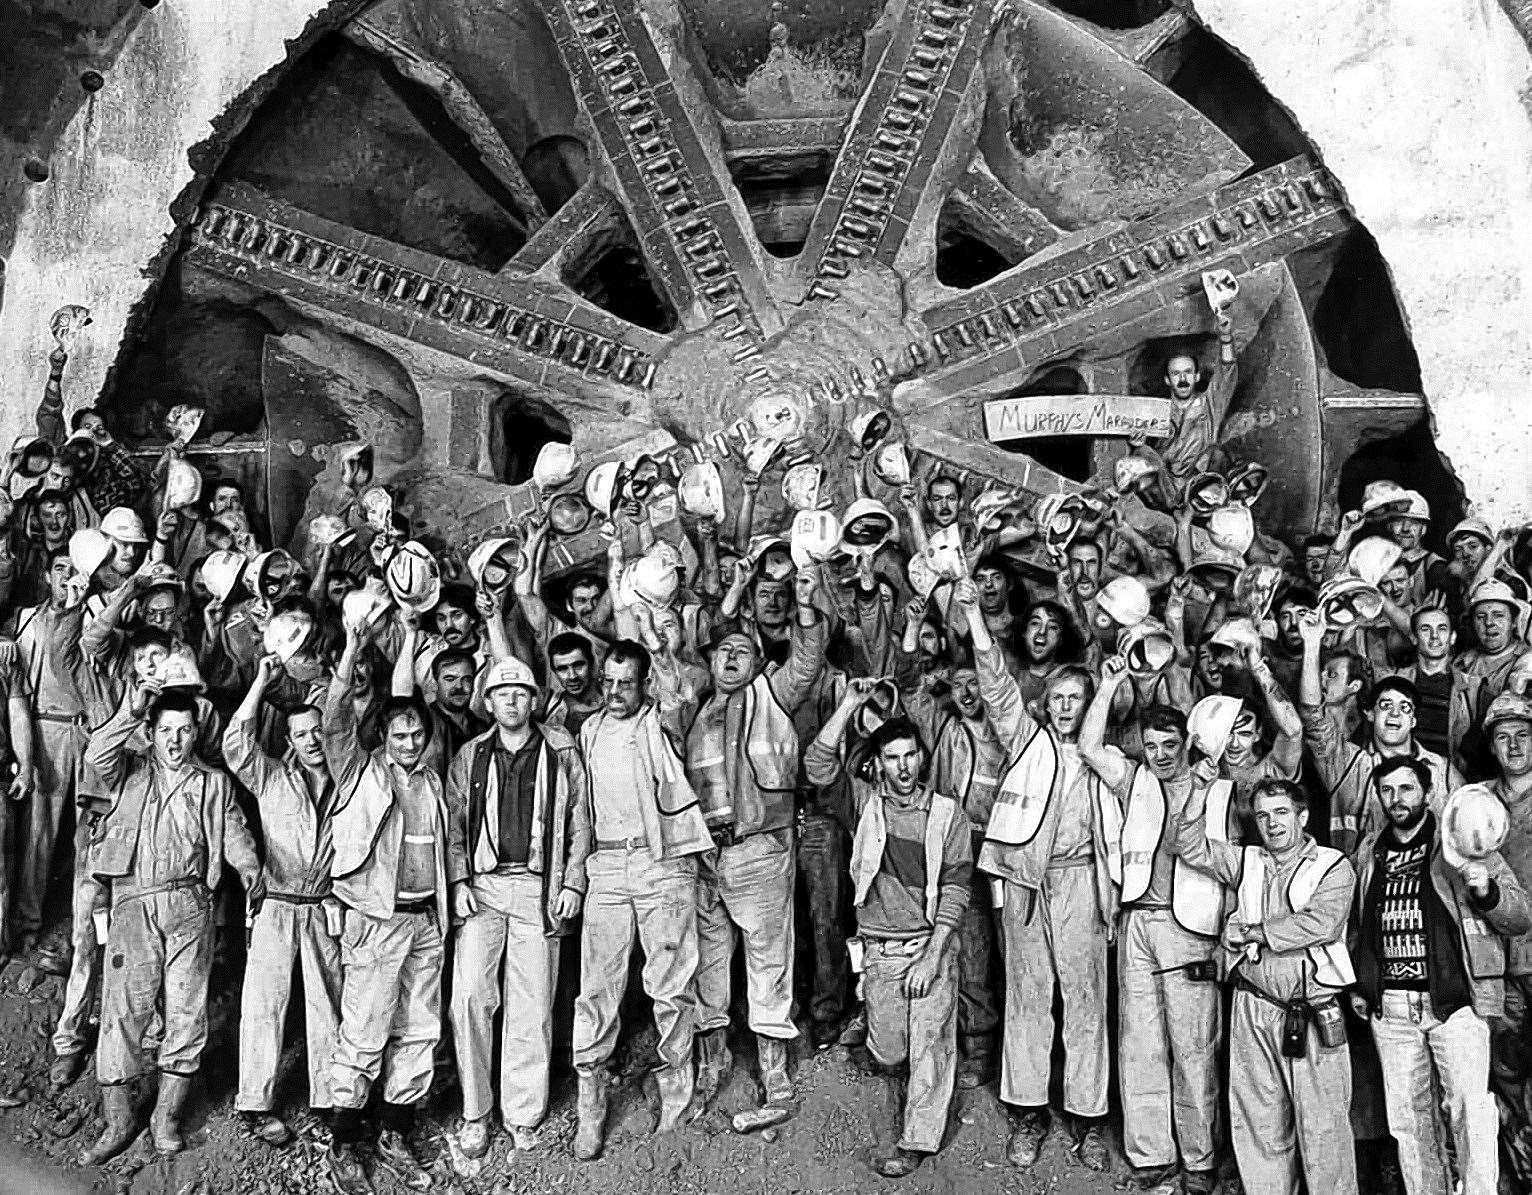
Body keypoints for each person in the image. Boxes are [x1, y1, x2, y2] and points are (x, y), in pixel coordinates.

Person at [956, 579, 1118, 1172]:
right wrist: (973, 616)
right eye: (1058, 698)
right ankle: (1028, 1113)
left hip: (1081, 883)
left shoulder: (1104, 756)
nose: (1066, 707)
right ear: (1046, 704)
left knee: (1086, 1003)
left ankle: (1088, 1118)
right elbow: (997, 686)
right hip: (1027, 883)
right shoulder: (1026, 740)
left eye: (1077, 698)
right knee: (1028, 1000)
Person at [80, 684, 264, 1164]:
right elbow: (96, 755)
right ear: (151, 732)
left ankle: (166, 1119)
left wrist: (249, 869)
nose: (175, 741)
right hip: (133, 900)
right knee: (124, 1009)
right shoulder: (128, 770)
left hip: (190, 904)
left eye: (184, 731)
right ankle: (118, 1121)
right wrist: (131, 710)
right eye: (166, 731)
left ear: (196, 732)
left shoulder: (213, 783)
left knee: (187, 1010)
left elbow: (235, 833)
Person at [673, 566, 827, 1108]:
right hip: (704, 856)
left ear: (759, 661)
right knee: (709, 963)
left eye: (743, 650)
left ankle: (773, 1068)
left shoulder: (772, 694)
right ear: (711, 662)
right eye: (724, 651)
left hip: (759, 849)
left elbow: (806, 663)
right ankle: (712, 1060)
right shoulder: (693, 709)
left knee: (769, 961)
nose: (733, 657)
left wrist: (805, 606)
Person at [805, 700, 971, 1179]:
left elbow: (957, 889)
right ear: (877, 763)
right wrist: (850, 704)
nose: (903, 767)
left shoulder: (947, 815)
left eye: (910, 755)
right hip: (880, 951)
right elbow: (818, 766)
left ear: (922, 757)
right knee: (890, 1052)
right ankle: (877, 1037)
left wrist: (934, 956)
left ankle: (917, 1140)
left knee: (930, 1047)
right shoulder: (864, 805)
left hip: (929, 946)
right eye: (892, 757)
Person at [1350, 759, 1529, 1195]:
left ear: (1428, 793)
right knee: (1407, 1122)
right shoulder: (1370, 851)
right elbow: (1359, 926)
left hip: (1457, 1002)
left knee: (1471, 1114)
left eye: (1406, 788)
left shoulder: (1461, 838)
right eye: (1387, 790)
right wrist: (1362, 983)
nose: (1396, 799)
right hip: (1392, 1007)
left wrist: (1486, 890)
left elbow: (1520, 917)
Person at [1172, 777, 1359, 1194]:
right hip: (1254, 1006)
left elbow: (1321, 924)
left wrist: (1251, 932)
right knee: (1259, 1123)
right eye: (1262, 815)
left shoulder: (1333, 865)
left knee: (1324, 1128)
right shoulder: (1248, 860)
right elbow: (1186, 843)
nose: (1272, 823)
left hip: (1311, 1010)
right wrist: (1198, 790)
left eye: (1281, 812)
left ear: (1302, 816)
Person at [1081, 664, 1223, 1193]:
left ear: (1187, 743)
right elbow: (1090, 747)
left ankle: (1200, 1160)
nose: (1160, 754)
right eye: (1151, 745)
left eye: (1170, 744)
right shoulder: (1135, 779)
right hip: (1138, 920)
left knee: (1193, 1047)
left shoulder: (1215, 788)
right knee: (1140, 1043)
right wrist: (1109, 685)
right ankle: (1151, 1155)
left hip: (1190, 928)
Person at [322, 619, 451, 1194]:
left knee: (418, 1031)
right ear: (383, 737)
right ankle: (344, 1141)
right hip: (377, 919)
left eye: (416, 735)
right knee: (365, 1031)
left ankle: (395, 1132)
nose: (409, 744)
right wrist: (352, 648)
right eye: (399, 735)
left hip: (425, 921)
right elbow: (333, 723)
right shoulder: (360, 770)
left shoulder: (432, 782)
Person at [571, 639, 712, 1161]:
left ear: (644, 683)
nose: (614, 692)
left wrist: (661, 646)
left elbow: (677, 695)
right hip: (607, 865)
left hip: (662, 862)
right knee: (597, 986)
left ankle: (676, 1090)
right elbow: (581, 810)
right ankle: (590, 1101)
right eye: (607, 682)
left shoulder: (662, 721)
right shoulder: (589, 730)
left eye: (625, 683)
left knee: (671, 984)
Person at [446, 656, 590, 1157]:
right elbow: (454, 823)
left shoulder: (560, 750)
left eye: (520, 691)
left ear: (534, 700)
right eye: (501, 693)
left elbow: (580, 821)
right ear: (487, 703)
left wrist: (573, 882)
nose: (511, 700)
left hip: (537, 888)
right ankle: (476, 1111)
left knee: (531, 1005)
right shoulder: (470, 755)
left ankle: (523, 1114)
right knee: (469, 998)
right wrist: (458, 879)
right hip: (483, 888)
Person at [224, 655, 342, 1148]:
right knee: (264, 1003)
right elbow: (235, 745)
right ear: (289, 742)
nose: (312, 741)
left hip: (325, 904)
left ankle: (330, 1099)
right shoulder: (272, 777)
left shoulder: (350, 779)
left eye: (318, 731)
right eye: (300, 735)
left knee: (328, 1003)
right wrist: (260, 683)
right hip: (275, 903)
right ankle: (255, 1102)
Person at [1300, 611, 1451, 856]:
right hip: (1361, 876)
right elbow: (1313, 717)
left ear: (1413, 720)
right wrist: (1311, 643)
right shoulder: (1348, 764)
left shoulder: (1442, 770)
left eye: (1404, 708)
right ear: (1370, 714)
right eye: (1385, 705)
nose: (1394, 714)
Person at [10, 552, 89, 953]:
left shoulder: (90, 615)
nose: (67, 576)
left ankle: (85, 932)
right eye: (60, 569)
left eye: (74, 570)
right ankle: (27, 926)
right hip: (41, 728)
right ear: (46, 576)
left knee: (87, 833)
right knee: (38, 835)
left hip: (84, 727)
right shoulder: (25, 619)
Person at [542, 631, 603, 736]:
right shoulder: (555, 714)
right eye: (562, 669)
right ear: (554, 671)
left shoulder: (614, 697)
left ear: (592, 663)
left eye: (578, 665)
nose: (572, 676)